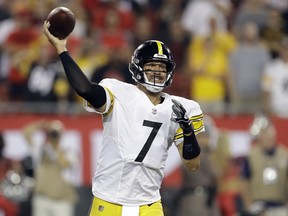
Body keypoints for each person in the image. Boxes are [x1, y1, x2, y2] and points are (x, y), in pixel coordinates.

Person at [43, 21, 205, 216]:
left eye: (162, 67)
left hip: (149, 204)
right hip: (109, 200)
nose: (157, 72)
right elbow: (85, 89)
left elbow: (192, 164)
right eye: (151, 65)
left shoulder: (182, 108)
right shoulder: (119, 92)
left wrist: (188, 131)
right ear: (138, 67)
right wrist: (62, 49)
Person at [22, 120, 78, 216]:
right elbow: (26, 133)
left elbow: (65, 164)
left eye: (56, 133)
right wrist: (41, 125)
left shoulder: (69, 151)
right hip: (42, 199)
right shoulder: (41, 148)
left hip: (62, 200)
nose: (54, 135)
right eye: (52, 132)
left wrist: (56, 145)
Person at [240, 114, 288, 216]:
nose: (268, 136)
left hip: (280, 205)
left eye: (270, 133)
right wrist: (248, 206)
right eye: (265, 134)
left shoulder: (285, 154)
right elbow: (244, 183)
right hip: (258, 206)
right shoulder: (251, 156)